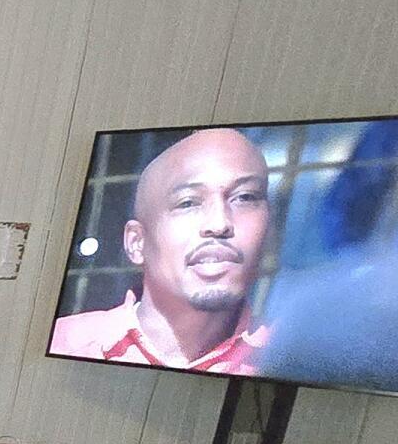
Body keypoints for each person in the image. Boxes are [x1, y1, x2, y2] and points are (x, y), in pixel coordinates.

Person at [49, 126, 274, 373]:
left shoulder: (291, 358)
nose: (219, 224)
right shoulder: (66, 342)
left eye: (245, 197)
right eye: (188, 202)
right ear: (136, 243)